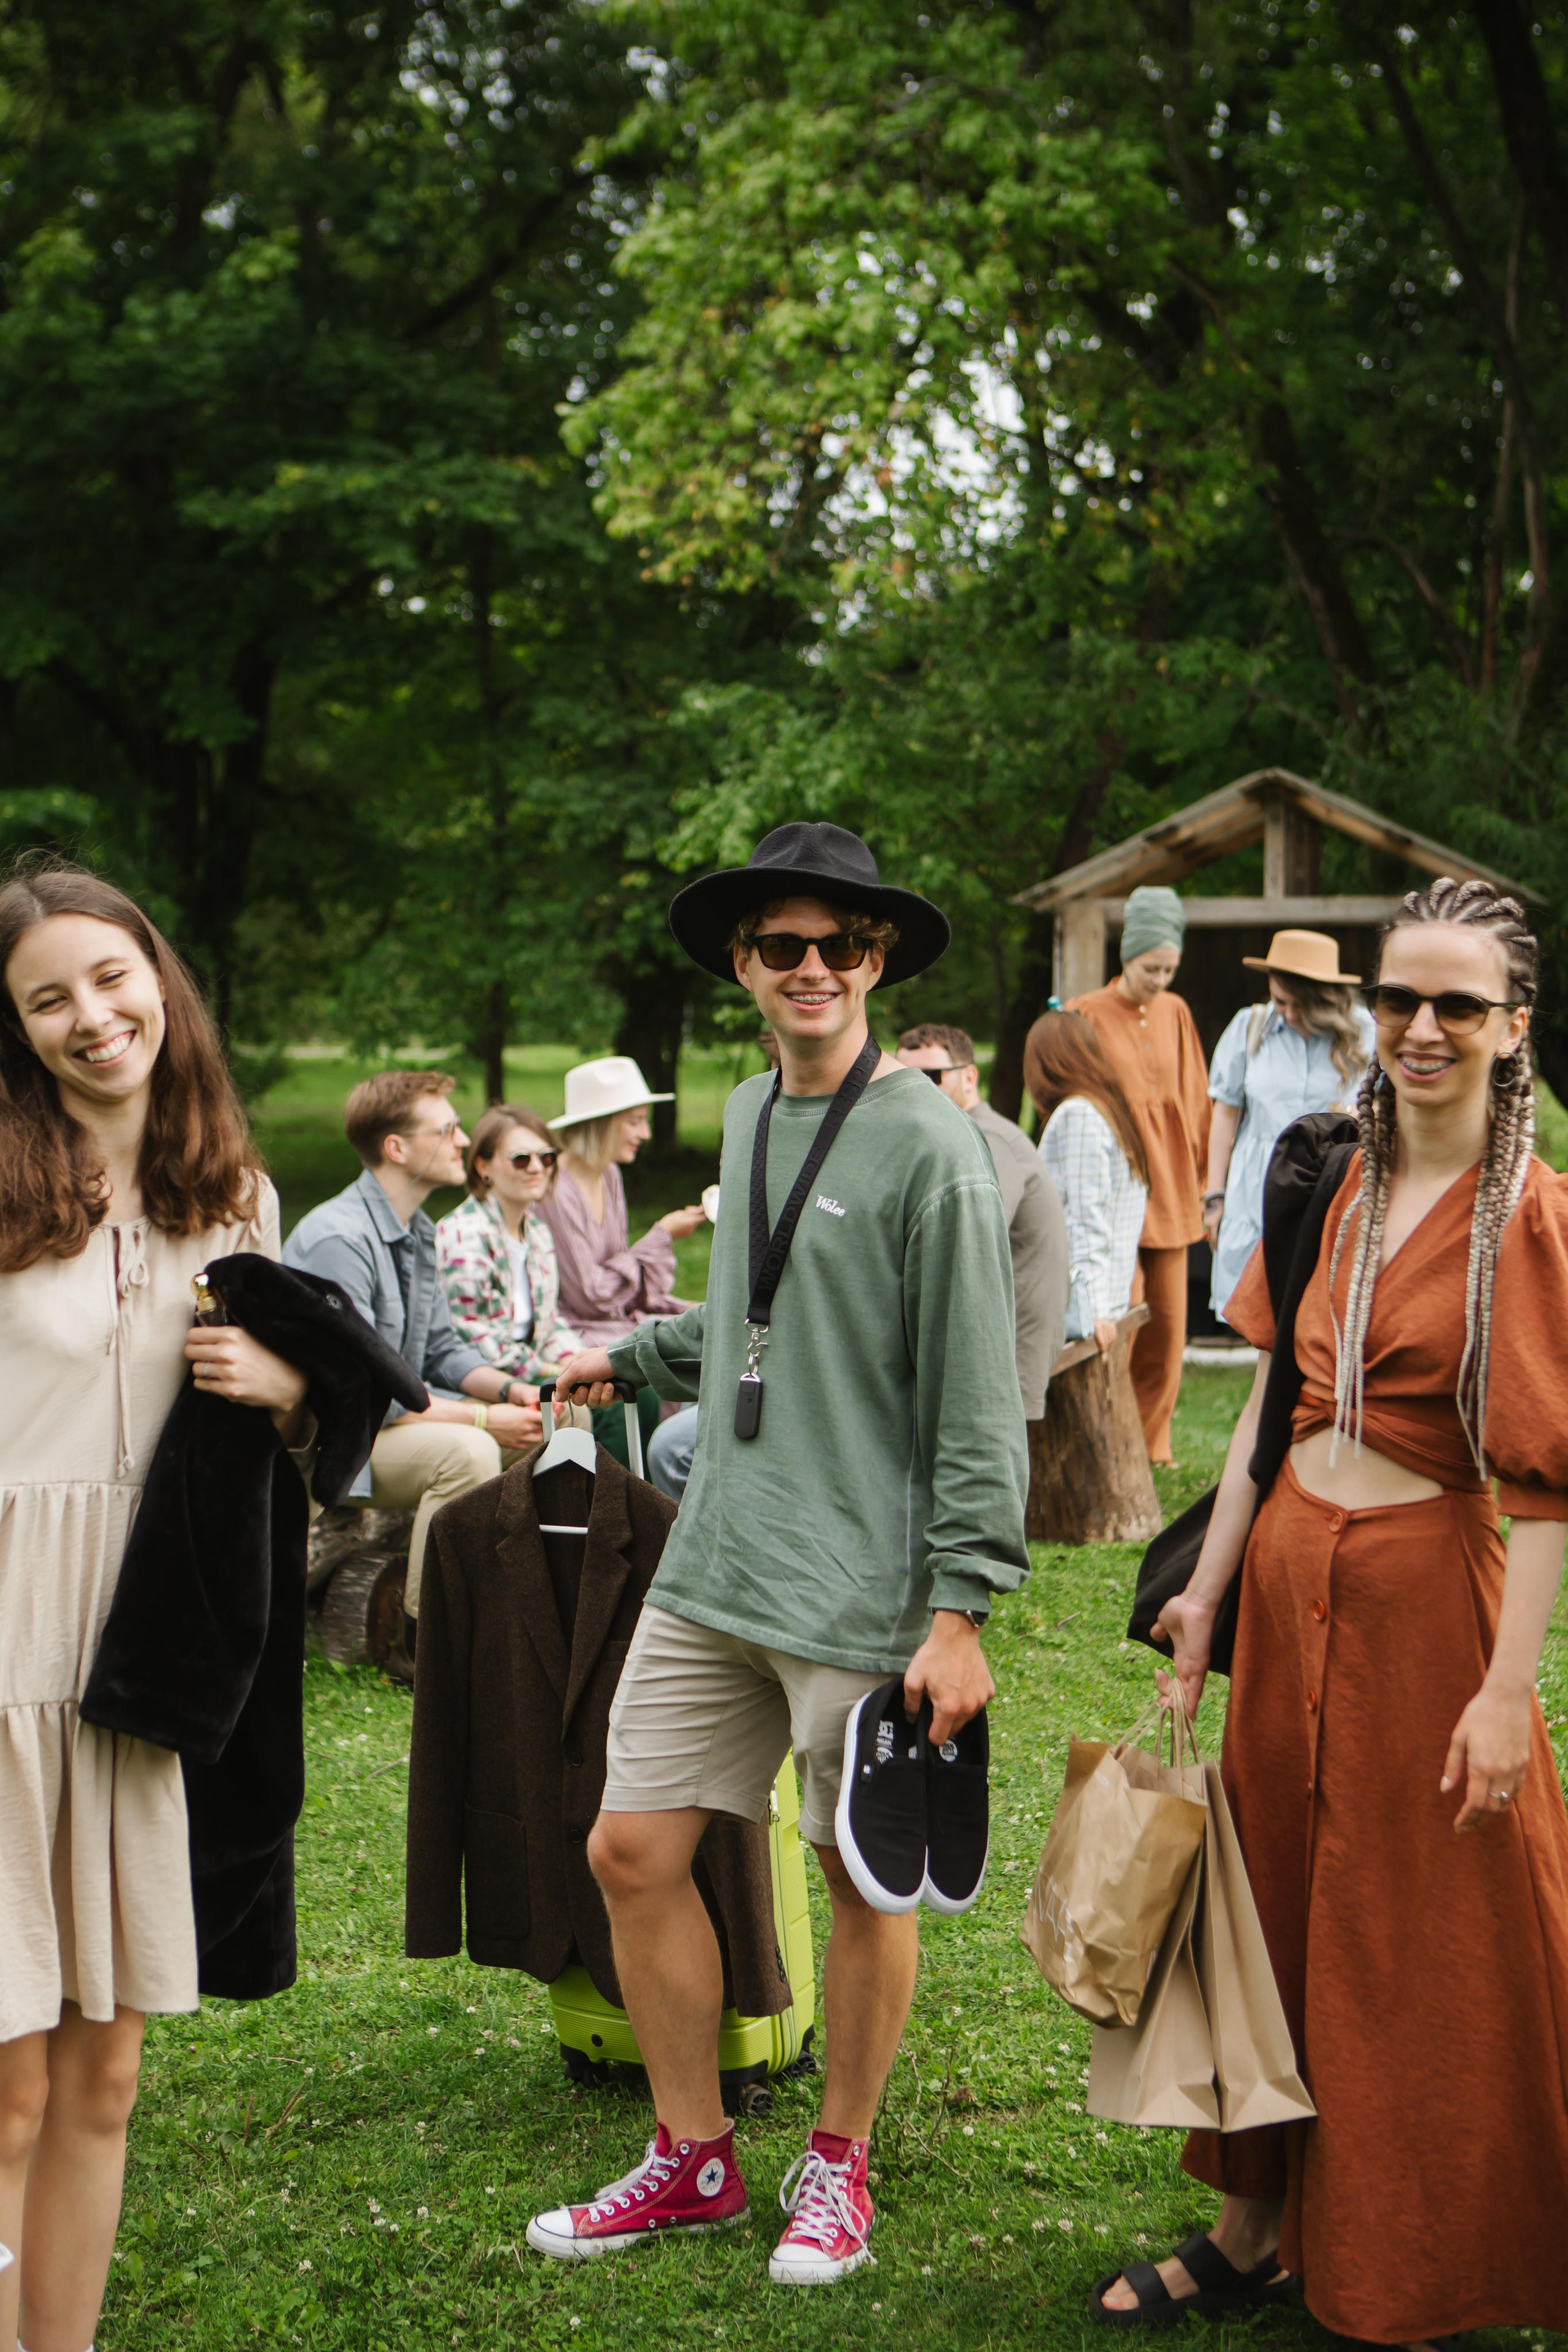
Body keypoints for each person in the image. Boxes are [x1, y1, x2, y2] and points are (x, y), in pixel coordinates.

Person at [528, 821, 1028, 2285]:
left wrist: (959, 1607)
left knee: (852, 1875)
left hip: (858, 1579)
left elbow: (973, 1392)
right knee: (630, 1848)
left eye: (843, 944)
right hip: (720, 1555)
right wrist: (626, 1358)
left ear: (876, 961)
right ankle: (690, 2156)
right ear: (739, 965)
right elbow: (755, 1314)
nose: (813, 966)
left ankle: (839, 2159)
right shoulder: (749, 1110)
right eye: (782, 945)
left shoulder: (929, 1144)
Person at [1099, 877, 1568, 2346]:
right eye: (1397, 999)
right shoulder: (1327, 1176)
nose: (1418, 1028)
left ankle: (1416, 2254)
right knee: (1273, 1918)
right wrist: (1203, 1592)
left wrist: (1503, 1691)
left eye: (1454, 1005)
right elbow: (1268, 1422)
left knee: (1420, 1939)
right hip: (1291, 1592)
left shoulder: (1531, 1220)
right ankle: (1252, 2231)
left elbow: (1546, 1488)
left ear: (1509, 1028)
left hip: (1429, 1610)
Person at [0, 861, 312, 2352]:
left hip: (137, 1669)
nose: (91, 1016)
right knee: (5, 2085)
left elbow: (330, 1414)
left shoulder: (235, 1195)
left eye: (111, 978)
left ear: (160, 982)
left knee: (103, 2075)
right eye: (48, 996)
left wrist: (294, 1388)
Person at [282, 1071, 543, 1627]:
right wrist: (481, 1418)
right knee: (467, 1453)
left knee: (554, 1423)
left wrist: (514, 1391)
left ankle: (515, 1610)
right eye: (447, 1130)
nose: (465, 1140)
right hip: (331, 1446)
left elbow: (442, 1349)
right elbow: (364, 1391)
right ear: (396, 1148)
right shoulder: (341, 1239)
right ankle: (426, 1637)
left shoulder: (418, 1230)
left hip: (385, 1425)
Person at [1069, 884, 1208, 1463]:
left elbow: (1196, 1095)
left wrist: (1201, 1176)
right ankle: (1107, 1437)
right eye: (1152, 967)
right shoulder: (1085, 1013)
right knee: (1118, 1316)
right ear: (1129, 955)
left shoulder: (1176, 1011)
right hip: (1119, 1181)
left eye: (1170, 968)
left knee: (1170, 1326)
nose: (1160, 979)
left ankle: (1153, 1444)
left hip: (1172, 1183)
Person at [895, 1021, 1069, 1420]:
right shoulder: (965, 1134)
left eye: (931, 1077)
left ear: (970, 1076)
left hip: (1008, 1344)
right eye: (905, 1077)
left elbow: (968, 1237)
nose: (916, 1089)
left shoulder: (988, 1139)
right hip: (989, 1332)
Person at [543, 1055, 703, 1474]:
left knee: (698, 1325)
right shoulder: (556, 1189)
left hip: (613, 1311)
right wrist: (661, 1237)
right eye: (634, 1121)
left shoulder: (608, 1174)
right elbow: (592, 1293)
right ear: (602, 1123)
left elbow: (618, 1272)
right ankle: (650, 1475)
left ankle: (684, 1469)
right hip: (579, 1323)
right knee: (666, 1351)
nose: (645, 1133)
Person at [1205, 930, 1373, 1325]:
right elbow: (1225, 1114)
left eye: (1300, 1004)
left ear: (1325, 998)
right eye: (1280, 1000)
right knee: (1260, 1319)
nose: (1288, 1012)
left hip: (1328, 1191)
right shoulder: (1252, 1027)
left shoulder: (1366, 1033)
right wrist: (1215, 1197)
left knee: (1319, 1319)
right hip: (1255, 1194)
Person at [1024, 1010, 1150, 1356]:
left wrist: (1091, 1313)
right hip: (1100, 1310)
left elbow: (1086, 1220)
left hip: (1083, 1319)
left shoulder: (1079, 1116)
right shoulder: (1106, 1112)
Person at [435, 1103, 585, 1381]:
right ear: (483, 1167)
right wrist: (559, 1372)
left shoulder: (537, 1232)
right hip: (481, 1378)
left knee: (633, 1390)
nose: (537, 1168)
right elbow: (478, 1338)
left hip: (530, 1366)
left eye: (547, 1157)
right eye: (521, 1160)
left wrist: (574, 1359)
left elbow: (548, 1323)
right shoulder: (464, 1236)